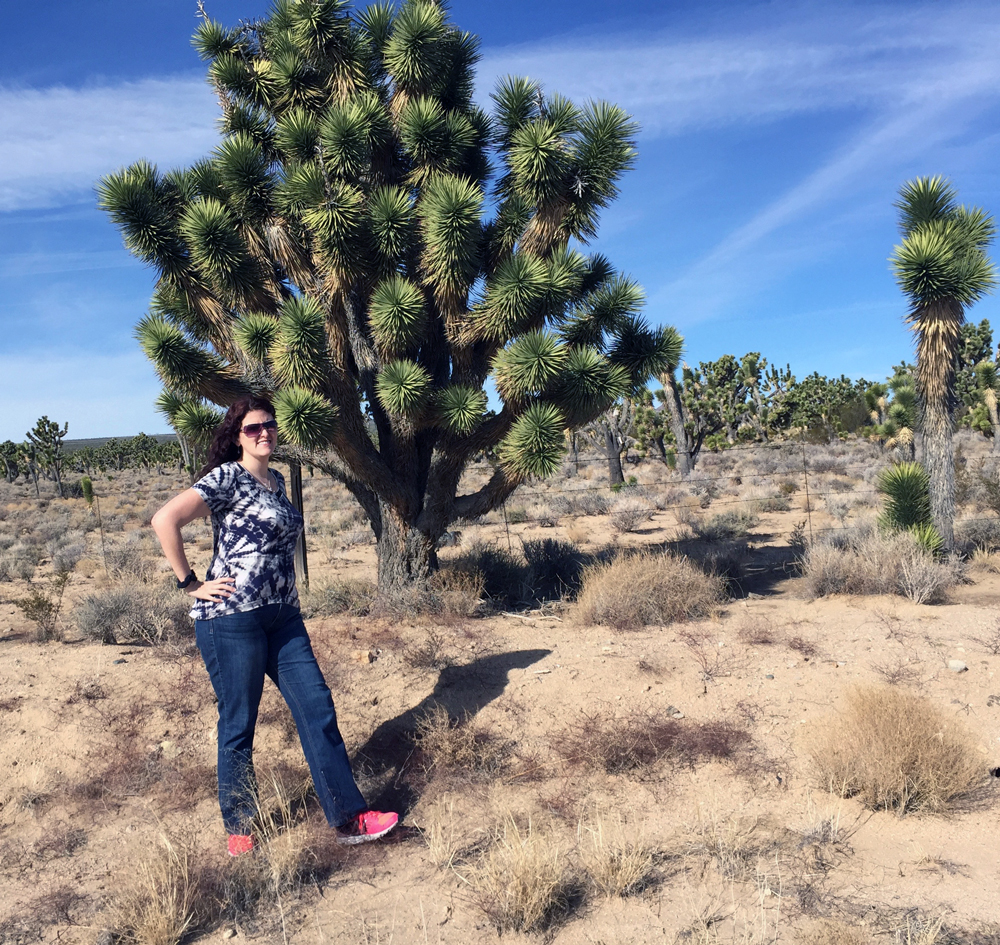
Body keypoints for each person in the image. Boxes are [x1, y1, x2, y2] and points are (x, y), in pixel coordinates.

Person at [151, 395, 397, 856]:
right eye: (252, 428)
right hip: (232, 618)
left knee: (317, 709)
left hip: (284, 615)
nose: (264, 432)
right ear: (237, 435)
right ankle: (241, 828)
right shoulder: (228, 477)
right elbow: (165, 519)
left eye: (269, 425)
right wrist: (190, 584)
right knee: (239, 723)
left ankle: (349, 817)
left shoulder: (277, 481)